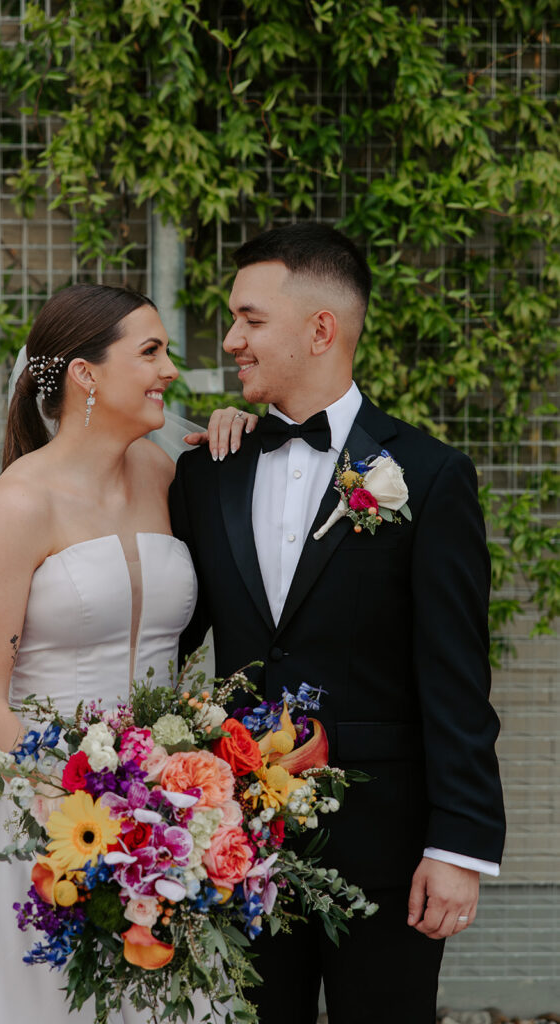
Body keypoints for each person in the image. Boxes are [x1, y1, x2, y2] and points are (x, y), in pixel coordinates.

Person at [169, 223, 506, 1024]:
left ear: (320, 328)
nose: (230, 340)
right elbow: (168, 632)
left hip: (385, 855)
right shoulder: (205, 473)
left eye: (250, 319)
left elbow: (455, 673)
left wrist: (456, 847)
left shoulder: (426, 475)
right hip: (238, 846)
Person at [0, 284, 224, 1024]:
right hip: (41, 806)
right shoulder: (20, 501)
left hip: (162, 806)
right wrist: (79, 803)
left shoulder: (166, 476)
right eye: (151, 352)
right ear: (85, 375)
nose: (169, 371)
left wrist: (153, 801)